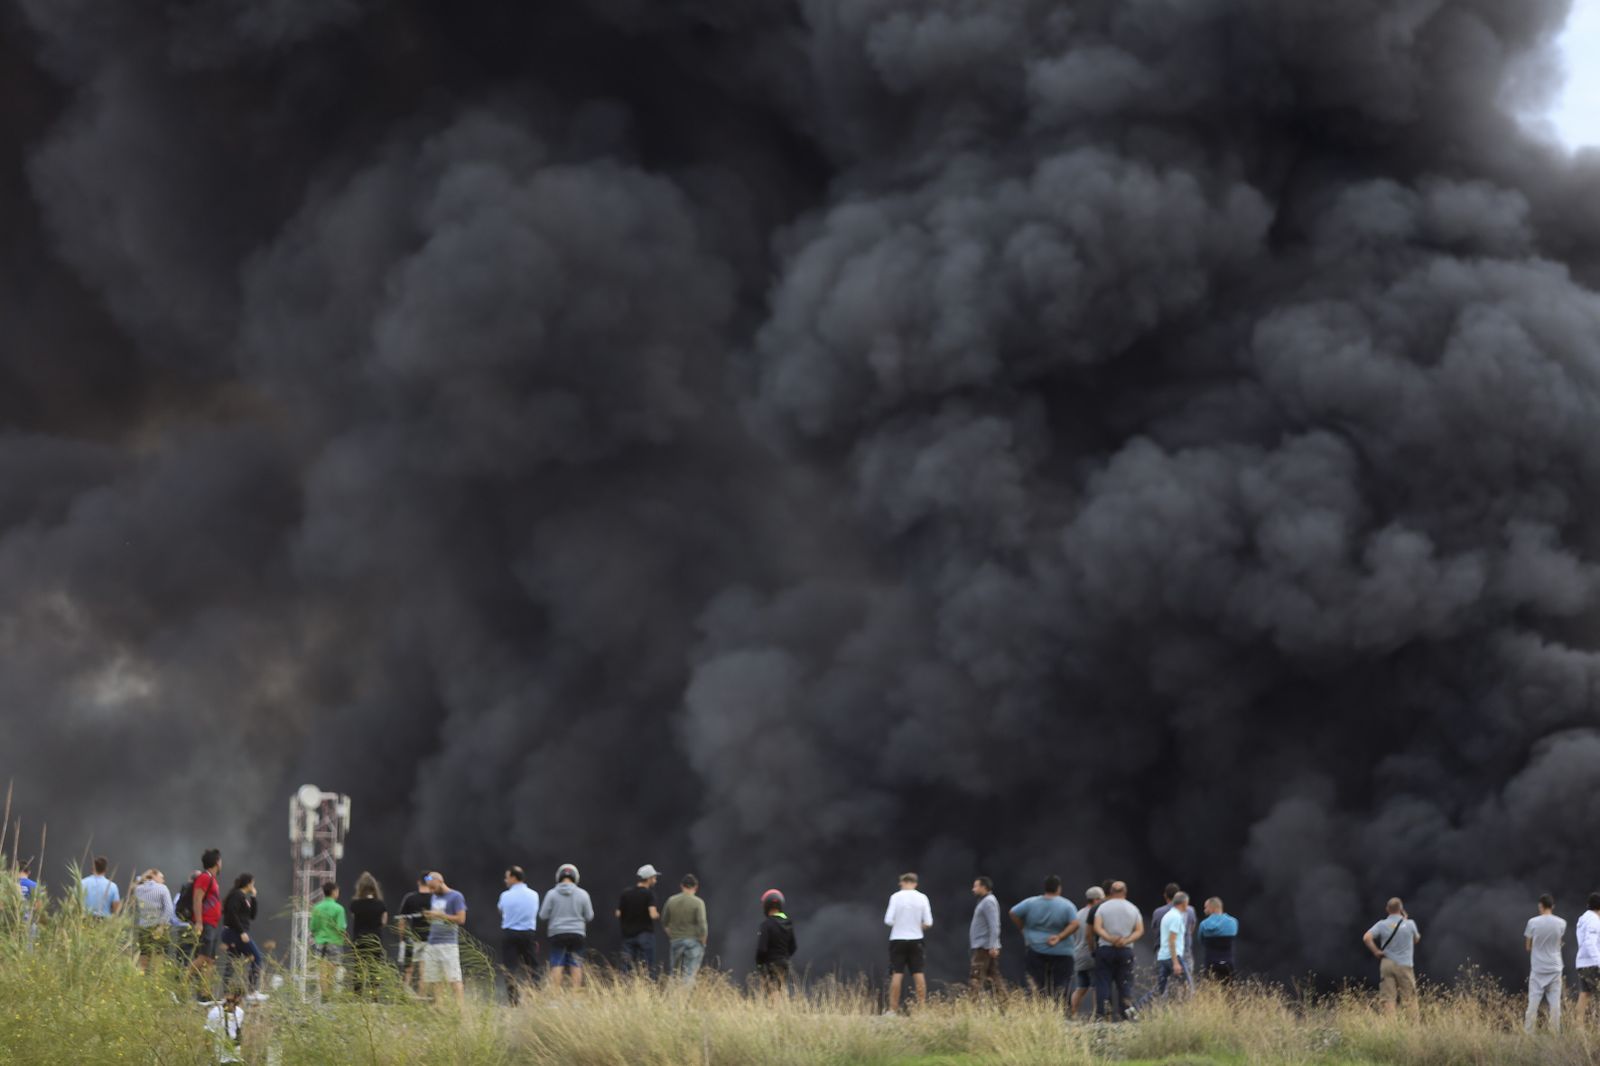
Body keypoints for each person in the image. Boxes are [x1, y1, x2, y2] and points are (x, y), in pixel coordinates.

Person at [1010, 875, 1078, 1002]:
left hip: (1036, 949)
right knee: (1061, 984)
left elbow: (1013, 912)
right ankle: (1060, 1010)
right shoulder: (1067, 905)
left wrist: (1023, 928)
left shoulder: (1030, 903)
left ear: (1045, 887)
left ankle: (1040, 1009)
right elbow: (1075, 923)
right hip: (1062, 951)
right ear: (1059, 888)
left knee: (1037, 984)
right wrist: (1059, 936)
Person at [1092, 881, 1144, 1021]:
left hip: (1105, 949)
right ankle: (1126, 1014)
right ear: (1125, 892)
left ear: (1111, 891)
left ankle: (1102, 1014)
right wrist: (1126, 940)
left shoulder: (1102, 908)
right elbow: (1139, 930)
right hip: (1125, 950)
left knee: (1103, 983)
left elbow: (1097, 927)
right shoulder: (1133, 908)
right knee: (1125, 983)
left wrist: (1109, 938)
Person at [1362, 897, 1421, 1018]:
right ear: (1401, 909)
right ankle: (1413, 1025)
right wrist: (1405, 921)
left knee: (1388, 998)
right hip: (1404, 965)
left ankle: (1390, 1024)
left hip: (1387, 963)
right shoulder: (1410, 924)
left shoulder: (1381, 924)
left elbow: (1366, 938)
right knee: (1409, 997)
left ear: (1387, 909)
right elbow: (1416, 939)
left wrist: (1376, 951)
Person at [883, 872, 933, 1015]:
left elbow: (888, 920)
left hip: (898, 939)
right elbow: (928, 922)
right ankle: (922, 1010)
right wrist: (918, 925)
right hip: (916, 939)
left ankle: (893, 1010)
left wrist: (900, 923)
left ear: (903, 882)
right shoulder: (922, 897)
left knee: (897, 973)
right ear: (915, 883)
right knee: (918, 973)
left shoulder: (895, 897)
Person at [540, 863, 594, 990]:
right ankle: (575, 994)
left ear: (558, 877)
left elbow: (543, 915)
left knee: (557, 963)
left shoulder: (551, 894)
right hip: (577, 934)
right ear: (576, 877)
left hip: (557, 934)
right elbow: (589, 916)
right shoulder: (583, 894)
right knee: (576, 964)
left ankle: (555, 994)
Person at [423, 871, 467, 1005]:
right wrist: (431, 917)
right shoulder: (434, 897)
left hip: (448, 943)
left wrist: (440, 915)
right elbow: (436, 918)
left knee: (454, 978)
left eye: (433, 887)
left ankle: (460, 1008)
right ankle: (439, 1007)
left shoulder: (456, 896)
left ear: (440, 882)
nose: (431, 891)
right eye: (429, 888)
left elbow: (461, 919)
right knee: (435, 979)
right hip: (432, 942)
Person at [1525, 893, 1566, 1034]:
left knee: (1533, 1004)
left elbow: (1528, 947)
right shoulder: (1562, 923)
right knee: (1555, 1004)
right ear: (1553, 906)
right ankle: (1555, 1034)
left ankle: (1529, 1033)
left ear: (1540, 906)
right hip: (1555, 967)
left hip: (1538, 968)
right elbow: (1558, 943)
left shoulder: (1532, 922)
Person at [497, 865, 539, 1003]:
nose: (505, 880)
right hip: (528, 934)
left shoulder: (505, 895)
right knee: (532, 967)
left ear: (514, 877)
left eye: (507, 877)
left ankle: (513, 1000)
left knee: (510, 968)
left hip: (510, 934)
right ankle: (534, 997)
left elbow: (501, 910)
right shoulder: (534, 895)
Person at [221, 874, 264, 999]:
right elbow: (231, 914)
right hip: (234, 933)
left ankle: (226, 992)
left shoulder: (243, 897)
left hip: (235, 933)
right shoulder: (237, 895)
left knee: (232, 961)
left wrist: (253, 897)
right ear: (248, 883)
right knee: (256, 957)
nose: (253, 886)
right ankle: (252, 990)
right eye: (253, 883)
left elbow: (252, 916)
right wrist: (241, 932)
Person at [189, 850, 225, 999]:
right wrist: (199, 922)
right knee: (203, 957)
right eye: (220, 861)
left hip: (212, 924)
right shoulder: (205, 878)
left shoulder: (212, 879)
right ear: (216, 862)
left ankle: (204, 995)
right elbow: (197, 899)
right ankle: (181, 982)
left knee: (210, 960)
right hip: (205, 923)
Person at [663, 873, 709, 986]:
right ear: (696, 887)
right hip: (693, 942)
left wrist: (672, 936)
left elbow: (664, 921)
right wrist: (703, 941)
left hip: (676, 941)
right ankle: (685, 995)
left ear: (681, 886)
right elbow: (702, 924)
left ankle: (672, 995)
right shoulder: (698, 902)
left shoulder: (671, 900)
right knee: (689, 974)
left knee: (674, 973)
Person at [348, 872, 388, 999]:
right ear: (374, 887)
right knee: (374, 968)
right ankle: (374, 997)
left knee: (359, 968)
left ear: (360, 887)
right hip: (375, 940)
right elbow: (384, 921)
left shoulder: (355, 904)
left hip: (359, 940)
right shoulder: (380, 904)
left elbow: (354, 917)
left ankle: (357, 996)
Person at [616, 864, 661, 977]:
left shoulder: (626, 893)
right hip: (645, 935)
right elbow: (652, 914)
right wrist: (658, 915)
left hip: (628, 935)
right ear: (649, 878)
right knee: (648, 967)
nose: (655, 880)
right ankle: (648, 987)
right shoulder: (649, 894)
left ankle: (624, 986)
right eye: (654, 878)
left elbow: (618, 913)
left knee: (626, 967)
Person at [1150, 883, 1197, 987]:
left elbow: (1155, 930)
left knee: (1162, 987)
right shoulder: (1190, 910)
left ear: (1165, 895)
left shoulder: (1158, 912)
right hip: (1184, 951)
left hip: (1163, 952)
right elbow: (1191, 929)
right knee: (1185, 987)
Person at [755, 889, 796, 1003]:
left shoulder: (766, 924)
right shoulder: (788, 924)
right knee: (781, 988)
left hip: (771, 964)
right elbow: (793, 947)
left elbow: (762, 949)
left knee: (772, 990)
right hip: (784, 963)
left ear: (766, 906)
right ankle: (783, 1009)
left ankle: (777, 1011)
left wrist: (759, 963)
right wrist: (784, 956)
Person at [1071, 886, 1105, 1018]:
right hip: (1091, 956)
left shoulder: (1078, 914)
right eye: (1101, 899)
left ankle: (1073, 1015)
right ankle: (1098, 1016)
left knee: (1080, 988)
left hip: (1078, 955)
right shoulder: (1096, 914)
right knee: (1097, 987)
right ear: (1096, 900)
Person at [132, 869, 175, 974]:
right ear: (154, 876)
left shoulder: (138, 889)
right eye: (161, 877)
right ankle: (156, 981)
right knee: (158, 958)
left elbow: (134, 887)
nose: (163, 880)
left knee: (144, 958)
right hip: (158, 927)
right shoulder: (163, 888)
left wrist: (143, 877)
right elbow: (169, 909)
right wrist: (161, 926)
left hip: (143, 927)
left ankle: (141, 980)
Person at [396, 874, 433, 992]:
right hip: (430, 940)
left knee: (408, 970)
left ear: (418, 882)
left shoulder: (410, 898)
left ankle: (403, 997)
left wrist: (402, 939)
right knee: (424, 972)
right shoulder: (435, 898)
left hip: (412, 939)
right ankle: (422, 997)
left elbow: (402, 920)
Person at [969, 877, 1004, 999]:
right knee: (993, 977)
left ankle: (972, 1005)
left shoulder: (988, 902)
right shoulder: (985, 901)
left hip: (985, 947)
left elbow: (994, 925)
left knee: (976, 976)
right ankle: (1006, 1004)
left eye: (976, 886)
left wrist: (993, 945)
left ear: (983, 887)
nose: (973, 889)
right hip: (985, 945)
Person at [310, 881, 346, 999]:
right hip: (335, 943)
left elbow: (313, 927)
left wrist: (319, 935)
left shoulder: (317, 908)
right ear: (334, 892)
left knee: (322, 972)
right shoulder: (339, 909)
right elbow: (341, 928)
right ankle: (332, 996)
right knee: (334, 971)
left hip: (320, 942)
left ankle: (325, 997)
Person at [1198, 897, 1238, 982]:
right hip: (1228, 962)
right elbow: (1234, 936)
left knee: (1210, 988)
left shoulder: (1203, 924)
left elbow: (1201, 941)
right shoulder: (1233, 922)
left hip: (1210, 963)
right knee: (1229, 988)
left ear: (1212, 908)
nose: (1204, 910)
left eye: (1206, 907)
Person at [1576, 892, 1600, 1027]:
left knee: (1584, 995)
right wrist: (1598, 961)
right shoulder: (1594, 920)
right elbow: (1590, 942)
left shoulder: (1582, 918)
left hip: (1582, 962)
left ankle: (1578, 1029)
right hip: (1593, 964)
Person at [204, 990, 245, 1065]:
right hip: (220, 1059)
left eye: (239, 996)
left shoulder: (240, 1012)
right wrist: (212, 1057)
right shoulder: (215, 1013)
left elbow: (236, 1033)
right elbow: (208, 1037)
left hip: (235, 1058)